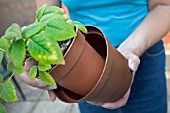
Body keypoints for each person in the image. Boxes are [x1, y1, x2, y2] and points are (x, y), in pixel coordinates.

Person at [20, 0, 170, 113]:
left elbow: (164, 6)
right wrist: (33, 55)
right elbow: (45, 19)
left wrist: (130, 49)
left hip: (144, 50)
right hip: (83, 60)